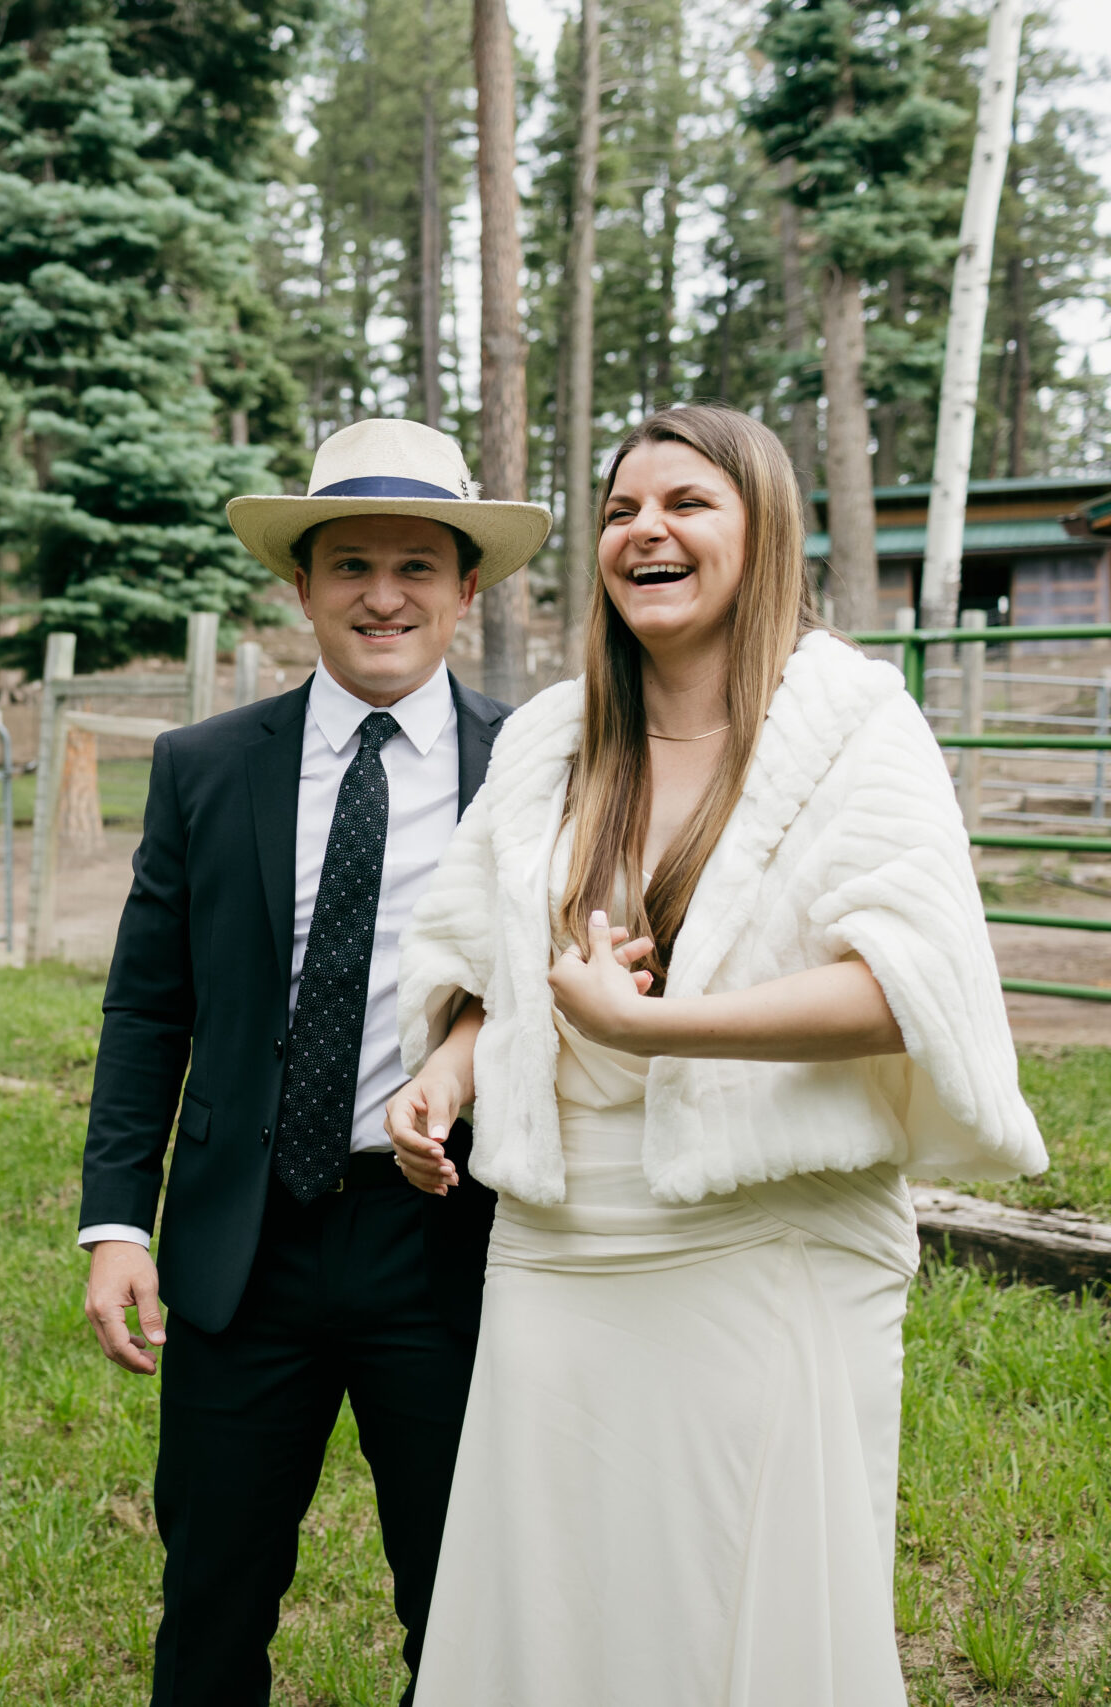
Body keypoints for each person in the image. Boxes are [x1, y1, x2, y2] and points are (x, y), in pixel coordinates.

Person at [387, 404, 1047, 1706]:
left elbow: (913, 988)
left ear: (764, 529)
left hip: (771, 1242)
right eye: (624, 508)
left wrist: (653, 1024)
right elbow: (486, 959)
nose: (648, 529)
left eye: (688, 502)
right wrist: (450, 1068)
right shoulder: (547, 741)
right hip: (561, 1251)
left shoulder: (855, 721)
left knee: (745, 1605)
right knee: (561, 1602)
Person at [78, 417, 554, 1704]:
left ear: (467, 587)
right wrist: (118, 1223)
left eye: (416, 565)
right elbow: (144, 1011)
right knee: (213, 1592)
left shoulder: (536, 772)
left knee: (458, 1600)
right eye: (350, 564)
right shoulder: (204, 769)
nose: (382, 595)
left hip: (450, 1241)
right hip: (246, 1247)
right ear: (300, 586)